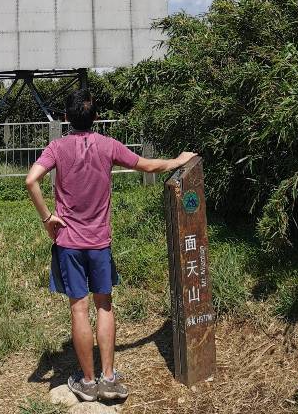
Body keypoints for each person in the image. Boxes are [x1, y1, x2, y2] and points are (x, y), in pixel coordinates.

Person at [25, 89, 196, 403]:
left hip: (69, 243)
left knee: (79, 308)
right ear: (96, 118)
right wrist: (178, 160)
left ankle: (87, 383)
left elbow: (30, 180)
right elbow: (147, 165)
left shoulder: (57, 147)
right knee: (104, 305)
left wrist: (48, 217)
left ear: (65, 118)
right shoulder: (108, 145)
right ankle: (108, 379)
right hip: (99, 243)